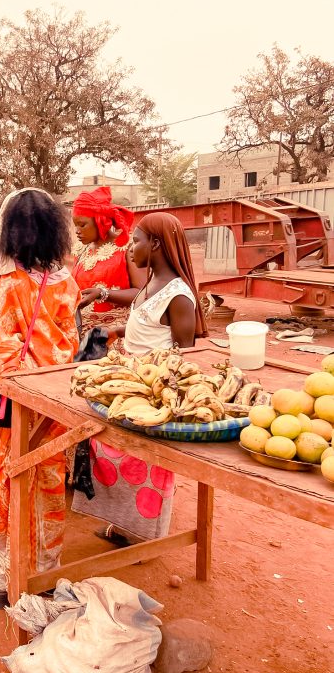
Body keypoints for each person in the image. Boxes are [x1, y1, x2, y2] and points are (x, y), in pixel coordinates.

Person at [0, 188, 80, 607]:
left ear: (7, 232)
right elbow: (69, 341)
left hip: (1, 402)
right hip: (49, 399)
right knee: (45, 478)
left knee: (0, 479)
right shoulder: (65, 283)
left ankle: (1, 578)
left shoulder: (2, 283)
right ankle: (43, 566)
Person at [72, 212, 207, 544]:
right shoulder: (153, 283)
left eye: (136, 241)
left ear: (156, 244)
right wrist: (117, 328)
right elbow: (145, 314)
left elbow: (183, 355)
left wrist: (162, 390)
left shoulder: (179, 295)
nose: (130, 248)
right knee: (114, 453)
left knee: (146, 465)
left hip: (153, 389)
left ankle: (144, 534)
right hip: (130, 379)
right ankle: (123, 527)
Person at [71, 187, 145, 333]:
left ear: (100, 221)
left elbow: (143, 293)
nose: (77, 231)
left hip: (116, 335)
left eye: (82, 224)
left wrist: (102, 293)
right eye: (75, 225)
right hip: (83, 335)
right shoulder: (80, 250)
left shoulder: (126, 248)